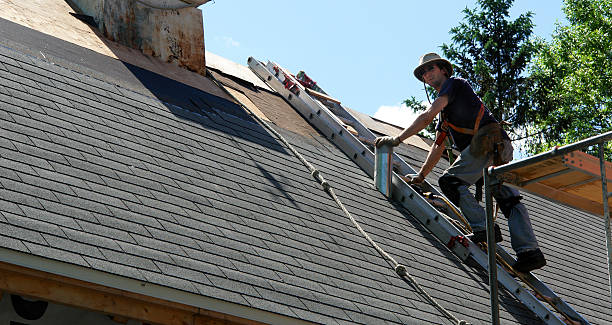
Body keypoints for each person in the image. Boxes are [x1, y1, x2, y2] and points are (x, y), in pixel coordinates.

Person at [375, 53, 546, 273]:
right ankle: (530, 253)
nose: (426, 75)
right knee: (508, 200)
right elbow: (438, 146)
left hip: (488, 141)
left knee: (450, 182)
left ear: (444, 70)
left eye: (431, 69)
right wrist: (421, 176)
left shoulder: (454, 85)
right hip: (496, 146)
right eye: (423, 73)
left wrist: (397, 140)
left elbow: (427, 116)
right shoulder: (445, 115)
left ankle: (485, 229)